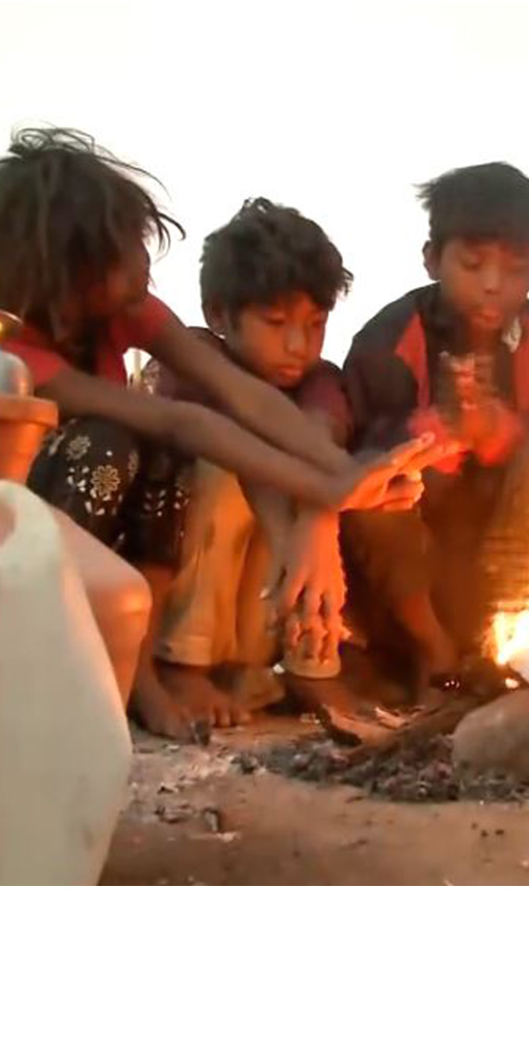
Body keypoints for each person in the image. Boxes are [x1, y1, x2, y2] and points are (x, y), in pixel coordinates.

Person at [0, 129, 446, 740]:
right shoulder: (15, 357)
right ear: (71, 276)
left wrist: (342, 479)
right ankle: (137, 675)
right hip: (23, 543)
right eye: (126, 253)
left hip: (117, 533)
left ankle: (146, 664)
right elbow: (185, 420)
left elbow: (237, 393)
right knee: (114, 444)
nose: (145, 264)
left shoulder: (124, 309)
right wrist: (336, 490)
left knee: (158, 458)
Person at [341, 162, 529, 695]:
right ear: (431, 259)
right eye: (472, 264)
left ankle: (520, 647)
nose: (493, 285)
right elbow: (356, 466)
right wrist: (442, 436)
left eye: (513, 270)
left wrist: (495, 433)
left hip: (504, 561)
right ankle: (434, 656)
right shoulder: (387, 342)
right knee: (380, 488)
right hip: (414, 569)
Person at [152, 197, 356, 727]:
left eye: (315, 324)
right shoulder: (196, 357)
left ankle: (295, 666)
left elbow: (323, 442)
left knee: (326, 496)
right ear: (220, 315)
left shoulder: (320, 379)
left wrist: (318, 523)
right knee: (223, 476)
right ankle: (184, 662)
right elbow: (234, 440)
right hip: (173, 555)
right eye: (275, 322)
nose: (298, 345)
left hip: (261, 598)